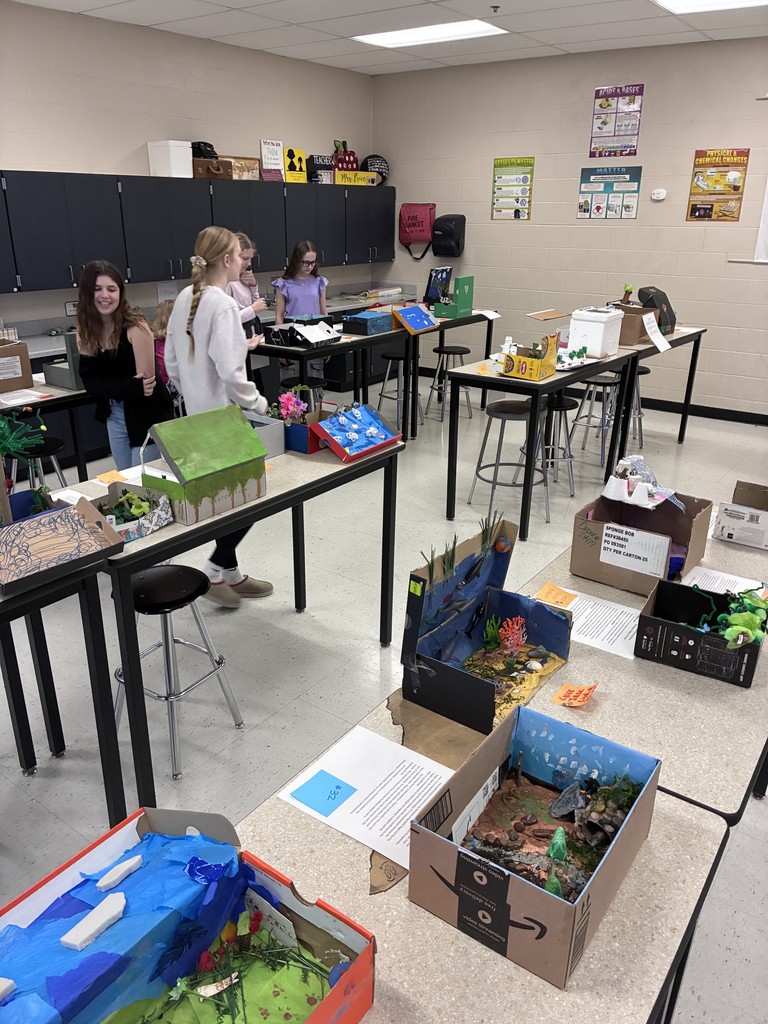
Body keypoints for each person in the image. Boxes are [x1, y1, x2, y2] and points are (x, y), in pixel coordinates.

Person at [164, 226, 272, 609]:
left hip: (197, 418)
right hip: (225, 421)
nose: (244, 263)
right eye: (240, 258)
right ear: (226, 260)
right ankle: (212, 571)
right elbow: (231, 370)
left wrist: (193, 393)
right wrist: (258, 404)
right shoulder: (223, 304)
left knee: (231, 500)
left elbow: (171, 362)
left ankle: (231, 573)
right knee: (250, 498)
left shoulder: (184, 298)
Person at [77, 261, 172, 470]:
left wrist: (106, 387)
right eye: (97, 289)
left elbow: (146, 389)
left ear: (120, 293)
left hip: (148, 416)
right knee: (126, 480)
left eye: (112, 289)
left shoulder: (136, 327)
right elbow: (90, 383)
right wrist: (126, 386)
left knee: (146, 482)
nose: (105, 295)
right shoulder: (86, 332)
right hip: (114, 415)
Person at [272, 240, 329, 383]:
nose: (310, 266)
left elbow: (323, 313)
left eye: (313, 262)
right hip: (292, 340)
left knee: (315, 387)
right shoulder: (284, 284)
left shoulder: (319, 282)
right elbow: (279, 316)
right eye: (306, 262)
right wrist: (281, 347)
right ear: (297, 260)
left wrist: (327, 343)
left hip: (315, 339)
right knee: (290, 390)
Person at [225, 232, 267, 347]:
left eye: (250, 259)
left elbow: (256, 303)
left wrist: (253, 286)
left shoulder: (245, 275)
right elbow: (228, 320)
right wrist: (252, 310)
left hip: (249, 332)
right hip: (236, 335)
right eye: (245, 258)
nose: (248, 263)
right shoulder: (228, 282)